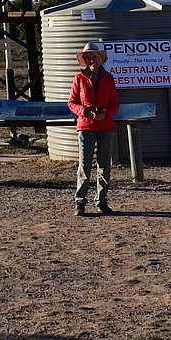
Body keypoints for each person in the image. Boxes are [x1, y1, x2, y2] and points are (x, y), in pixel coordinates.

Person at [67, 41, 119, 216]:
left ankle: (101, 200)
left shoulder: (108, 79)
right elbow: (72, 103)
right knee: (85, 165)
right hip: (86, 126)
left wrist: (106, 114)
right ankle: (80, 201)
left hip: (105, 126)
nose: (91, 60)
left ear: (100, 59)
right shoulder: (79, 79)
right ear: (84, 60)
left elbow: (115, 104)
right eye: (88, 57)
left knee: (104, 165)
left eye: (94, 57)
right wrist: (85, 112)